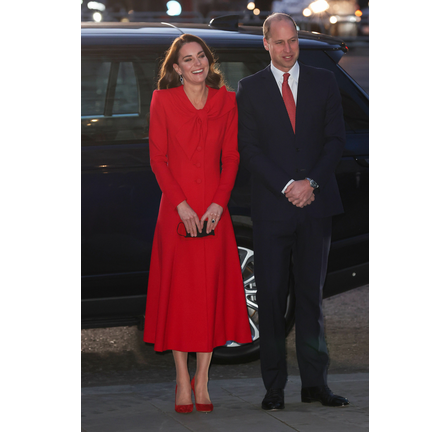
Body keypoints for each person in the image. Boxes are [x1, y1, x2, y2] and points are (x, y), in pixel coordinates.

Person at [236, 13, 351, 410]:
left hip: (316, 207)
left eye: (294, 41)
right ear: (265, 44)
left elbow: (336, 141)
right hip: (272, 209)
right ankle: (274, 388)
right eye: (280, 42)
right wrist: (287, 186)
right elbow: (248, 149)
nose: (288, 50)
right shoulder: (248, 89)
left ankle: (315, 384)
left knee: (310, 300)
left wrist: (311, 184)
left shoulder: (322, 81)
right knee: (270, 300)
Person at [143, 34, 253, 414]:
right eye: (187, 59)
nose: (196, 64)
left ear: (209, 61)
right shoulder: (163, 101)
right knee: (180, 297)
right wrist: (182, 206)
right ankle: (180, 378)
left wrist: (219, 204)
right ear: (176, 68)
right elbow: (158, 160)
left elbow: (232, 156)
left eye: (200, 56)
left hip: (213, 215)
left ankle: (202, 379)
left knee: (208, 295)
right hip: (176, 213)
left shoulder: (226, 100)